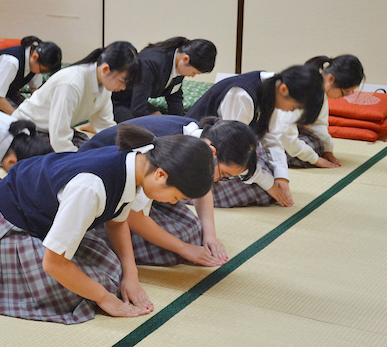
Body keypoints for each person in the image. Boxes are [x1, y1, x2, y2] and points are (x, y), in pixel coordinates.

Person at [0, 124, 215, 324]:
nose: (174, 203)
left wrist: (131, 275)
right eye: (176, 196)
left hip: (42, 217)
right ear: (162, 175)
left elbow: (117, 222)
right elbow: (53, 264)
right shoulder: (92, 187)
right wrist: (105, 299)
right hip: (9, 223)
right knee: (75, 294)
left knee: (112, 270)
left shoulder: (137, 164)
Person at [80, 115, 257, 266]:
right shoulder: (172, 145)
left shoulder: (199, 141)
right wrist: (184, 249)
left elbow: (202, 190)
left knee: (194, 230)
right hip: (98, 192)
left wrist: (211, 236)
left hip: (144, 190)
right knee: (181, 241)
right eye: (224, 174)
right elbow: (132, 215)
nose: (219, 180)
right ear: (213, 151)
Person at [187, 65, 325, 207]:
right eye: (294, 107)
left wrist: (282, 177)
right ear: (284, 89)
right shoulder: (242, 95)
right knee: (259, 191)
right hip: (204, 153)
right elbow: (232, 149)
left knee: (269, 178)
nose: (291, 111)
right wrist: (269, 185)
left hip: (232, 153)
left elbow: (271, 137)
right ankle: (177, 191)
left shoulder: (272, 89)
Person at [12, 41, 141, 152]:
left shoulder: (104, 86)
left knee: (93, 149)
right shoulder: (71, 83)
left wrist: (124, 148)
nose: (123, 88)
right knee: (80, 158)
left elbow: (105, 125)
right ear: (105, 69)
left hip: (52, 130)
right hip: (28, 129)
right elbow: (59, 138)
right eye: (122, 81)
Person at [279, 55, 365, 168]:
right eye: (344, 92)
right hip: (264, 127)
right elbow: (284, 129)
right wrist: (314, 159)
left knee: (319, 144)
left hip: (285, 127)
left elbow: (319, 123)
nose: (343, 97)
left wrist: (327, 151)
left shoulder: (320, 88)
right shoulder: (305, 87)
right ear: (331, 79)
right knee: (302, 152)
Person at [112, 37, 217, 123]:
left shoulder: (178, 64)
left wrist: (180, 122)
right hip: (119, 101)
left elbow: (174, 97)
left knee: (161, 118)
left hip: (135, 100)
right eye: (194, 73)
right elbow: (138, 109)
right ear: (185, 59)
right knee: (151, 128)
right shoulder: (151, 63)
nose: (192, 76)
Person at [0, 36, 62, 114]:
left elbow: (35, 91)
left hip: (6, 94)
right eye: (42, 71)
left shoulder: (35, 62)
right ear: (35, 56)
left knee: (28, 112)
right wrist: (19, 117)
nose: (41, 73)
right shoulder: (11, 62)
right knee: (16, 120)